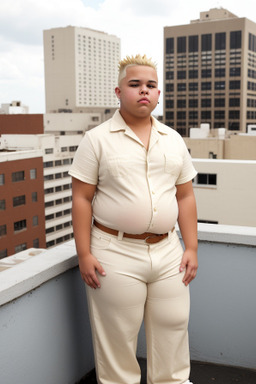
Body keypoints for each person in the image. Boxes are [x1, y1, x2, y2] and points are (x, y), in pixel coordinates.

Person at [69, 54, 198, 384]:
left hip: (169, 251)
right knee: (117, 338)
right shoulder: (96, 139)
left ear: (158, 95)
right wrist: (84, 254)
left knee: (173, 327)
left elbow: (185, 196)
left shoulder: (173, 139)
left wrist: (191, 248)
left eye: (151, 85)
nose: (144, 90)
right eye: (135, 84)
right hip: (114, 252)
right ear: (118, 91)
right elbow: (82, 199)